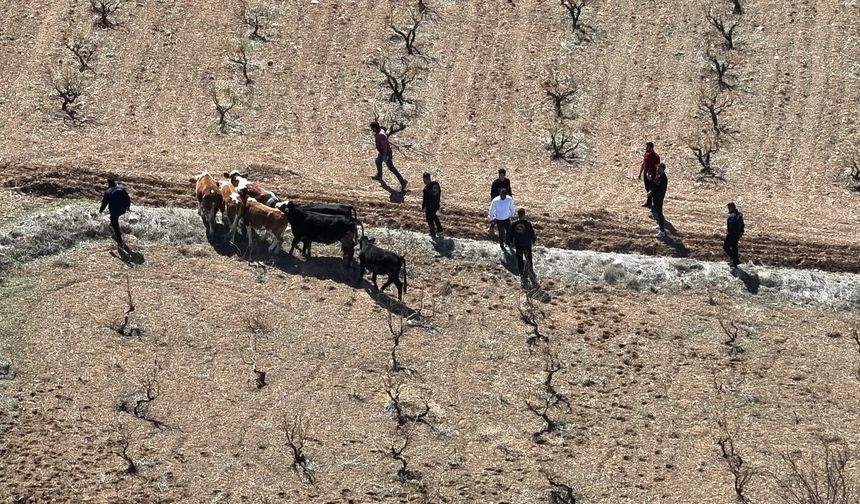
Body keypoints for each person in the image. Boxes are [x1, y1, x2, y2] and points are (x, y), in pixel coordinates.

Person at [370, 121, 407, 191]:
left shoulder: (380, 135)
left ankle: (403, 181)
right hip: (382, 152)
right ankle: (379, 176)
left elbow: (385, 146)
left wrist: (384, 156)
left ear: (375, 128)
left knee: (391, 168)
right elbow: (385, 129)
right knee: (377, 161)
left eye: (372, 128)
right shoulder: (381, 130)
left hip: (386, 153)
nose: (372, 130)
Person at [508, 208, 538, 288]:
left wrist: (510, 241)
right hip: (527, 244)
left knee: (520, 259)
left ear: (518, 215)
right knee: (529, 259)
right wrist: (533, 240)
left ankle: (522, 275)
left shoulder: (514, 224)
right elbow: (532, 233)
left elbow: (511, 234)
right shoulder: (528, 223)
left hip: (518, 244)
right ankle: (531, 272)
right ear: (524, 214)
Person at [99, 177, 131, 246]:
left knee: (114, 222)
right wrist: (128, 207)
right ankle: (114, 226)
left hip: (114, 211)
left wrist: (101, 210)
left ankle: (119, 239)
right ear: (114, 182)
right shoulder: (121, 189)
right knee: (114, 219)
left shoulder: (108, 192)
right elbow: (128, 198)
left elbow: (104, 203)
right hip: (123, 209)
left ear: (108, 183)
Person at [638, 142, 661, 208]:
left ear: (651, 147)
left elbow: (657, 167)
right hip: (646, 174)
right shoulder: (646, 154)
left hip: (652, 175)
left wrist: (657, 176)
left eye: (647, 147)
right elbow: (644, 164)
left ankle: (654, 204)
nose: (646, 148)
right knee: (647, 188)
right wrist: (640, 173)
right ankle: (649, 202)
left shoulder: (656, 156)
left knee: (652, 189)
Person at [422, 172, 443, 238]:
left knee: (429, 219)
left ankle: (433, 233)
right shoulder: (436, 184)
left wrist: (423, 207)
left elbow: (425, 199)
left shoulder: (426, 188)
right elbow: (439, 192)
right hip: (436, 205)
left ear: (425, 179)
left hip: (430, 207)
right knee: (434, 216)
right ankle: (439, 229)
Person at [724, 202, 745, 268]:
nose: (728, 209)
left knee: (726, 247)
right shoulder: (739, 215)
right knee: (734, 247)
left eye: (728, 208)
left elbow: (730, 227)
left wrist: (729, 234)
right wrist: (741, 232)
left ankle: (735, 259)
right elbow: (742, 225)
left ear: (731, 207)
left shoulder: (731, 216)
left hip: (731, 234)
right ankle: (734, 263)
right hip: (737, 235)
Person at [650, 163, 668, 238]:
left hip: (659, 198)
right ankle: (660, 226)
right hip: (656, 197)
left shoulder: (663, 178)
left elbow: (658, 187)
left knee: (659, 214)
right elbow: (655, 185)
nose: (658, 169)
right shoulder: (659, 176)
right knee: (655, 211)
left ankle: (662, 231)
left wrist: (652, 192)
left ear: (663, 169)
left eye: (659, 168)